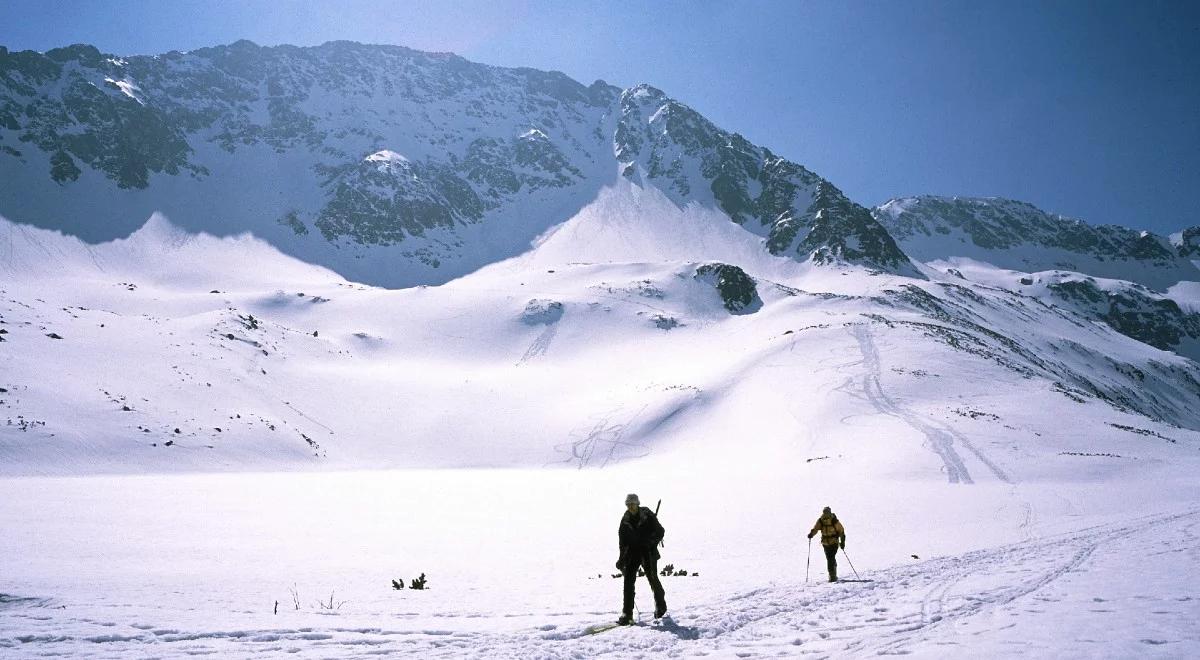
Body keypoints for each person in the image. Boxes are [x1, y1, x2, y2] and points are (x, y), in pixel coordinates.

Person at [615, 493, 667, 624]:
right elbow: (622, 542)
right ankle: (627, 614)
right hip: (633, 553)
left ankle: (660, 606)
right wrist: (621, 560)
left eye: (632, 504)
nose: (630, 507)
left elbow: (660, 531)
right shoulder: (625, 520)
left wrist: (651, 543)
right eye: (628, 505)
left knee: (653, 579)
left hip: (648, 552)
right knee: (628, 582)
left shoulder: (647, 514)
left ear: (638, 503)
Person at [807, 506, 846, 582]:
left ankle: (832, 577)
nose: (826, 514)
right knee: (830, 558)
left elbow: (841, 532)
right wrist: (811, 534)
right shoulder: (821, 520)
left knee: (830, 558)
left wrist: (842, 543)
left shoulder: (834, 521)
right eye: (825, 512)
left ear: (830, 512)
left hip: (834, 542)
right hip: (825, 543)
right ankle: (833, 573)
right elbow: (816, 529)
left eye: (827, 512)